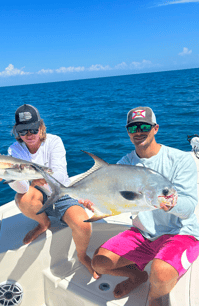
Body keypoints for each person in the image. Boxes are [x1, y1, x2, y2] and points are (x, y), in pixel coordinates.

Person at [82, 106, 199, 306]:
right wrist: (97, 206)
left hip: (181, 233)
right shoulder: (124, 164)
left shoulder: (180, 160)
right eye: (133, 128)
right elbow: (117, 202)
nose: (138, 132)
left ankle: (154, 296)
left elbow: (188, 210)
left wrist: (171, 205)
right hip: (142, 233)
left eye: (144, 126)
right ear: (128, 132)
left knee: (161, 275)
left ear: (155, 128)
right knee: (99, 263)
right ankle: (137, 277)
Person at [0, 104, 99, 279]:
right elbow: (22, 188)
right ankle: (43, 223)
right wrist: (8, 176)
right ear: (17, 132)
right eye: (23, 131)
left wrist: (34, 177)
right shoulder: (14, 150)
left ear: (41, 127)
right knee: (23, 199)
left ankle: (82, 256)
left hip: (61, 194)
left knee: (83, 225)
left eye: (33, 129)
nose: (29, 135)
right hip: (36, 194)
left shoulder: (54, 141)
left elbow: (59, 177)